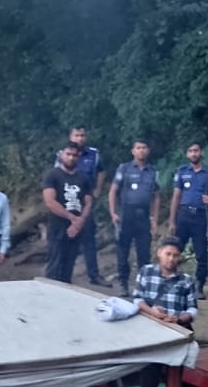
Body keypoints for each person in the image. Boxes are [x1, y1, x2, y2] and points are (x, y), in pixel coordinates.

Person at [132, 238, 199, 387]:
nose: (171, 259)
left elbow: (193, 309)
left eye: (175, 255)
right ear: (159, 253)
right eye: (168, 254)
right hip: (151, 330)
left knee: (179, 378)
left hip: (177, 330)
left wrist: (178, 318)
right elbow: (137, 299)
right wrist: (153, 312)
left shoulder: (186, 280)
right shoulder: (146, 272)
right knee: (149, 378)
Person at [167, 142, 208, 300]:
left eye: (196, 151)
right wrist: (172, 220)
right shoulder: (182, 171)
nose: (193, 153)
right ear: (187, 154)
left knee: (201, 252)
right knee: (175, 249)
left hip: (201, 216)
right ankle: (172, 281)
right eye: (190, 151)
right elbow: (176, 197)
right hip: (183, 215)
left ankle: (199, 285)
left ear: (201, 153)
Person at [57, 125, 107, 286]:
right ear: (71, 137)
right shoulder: (62, 153)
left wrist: (98, 190)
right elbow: (56, 176)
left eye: (82, 135)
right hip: (67, 203)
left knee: (89, 240)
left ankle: (94, 275)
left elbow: (101, 171)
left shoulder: (94, 154)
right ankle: (61, 275)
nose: (80, 138)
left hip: (86, 202)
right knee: (64, 239)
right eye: (77, 135)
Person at [109, 139, 160, 295]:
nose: (141, 150)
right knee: (123, 251)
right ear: (133, 151)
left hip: (143, 217)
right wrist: (113, 213)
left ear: (148, 150)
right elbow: (113, 191)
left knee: (144, 253)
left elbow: (156, 197)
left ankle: (142, 286)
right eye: (138, 148)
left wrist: (155, 219)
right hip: (126, 215)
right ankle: (123, 284)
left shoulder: (153, 172)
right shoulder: (124, 169)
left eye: (144, 147)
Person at [41, 145, 93, 283]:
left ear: (79, 157)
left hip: (77, 229)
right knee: (54, 265)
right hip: (57, 226)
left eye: (74, 155)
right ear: (61, 155)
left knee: (69, 266)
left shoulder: (83, 178)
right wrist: (72, 218)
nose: (71, 157)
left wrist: (80, 222)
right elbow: (50, 202)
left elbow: (88, 202)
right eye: (68, 154)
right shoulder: (52, 175)